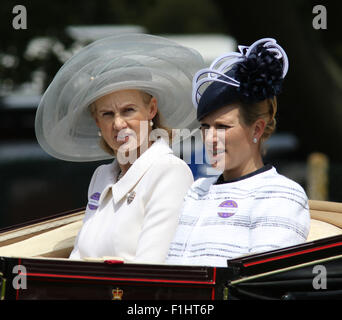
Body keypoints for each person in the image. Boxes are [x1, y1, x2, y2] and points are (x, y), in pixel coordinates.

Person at [34, 33, 205, 263]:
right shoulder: (102, 176)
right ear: (97, 122)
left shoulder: (169, 172)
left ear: (151, 109)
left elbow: (150, 268)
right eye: (107, 114)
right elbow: (78, 257)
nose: (118, 124)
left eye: (128, 110)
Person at [166, 38, 310, 267]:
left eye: (222, 127)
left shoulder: (280, 195)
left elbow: (259, 282)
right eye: (205, 127)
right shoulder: (196, 191)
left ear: (257, 129)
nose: (210, 138)